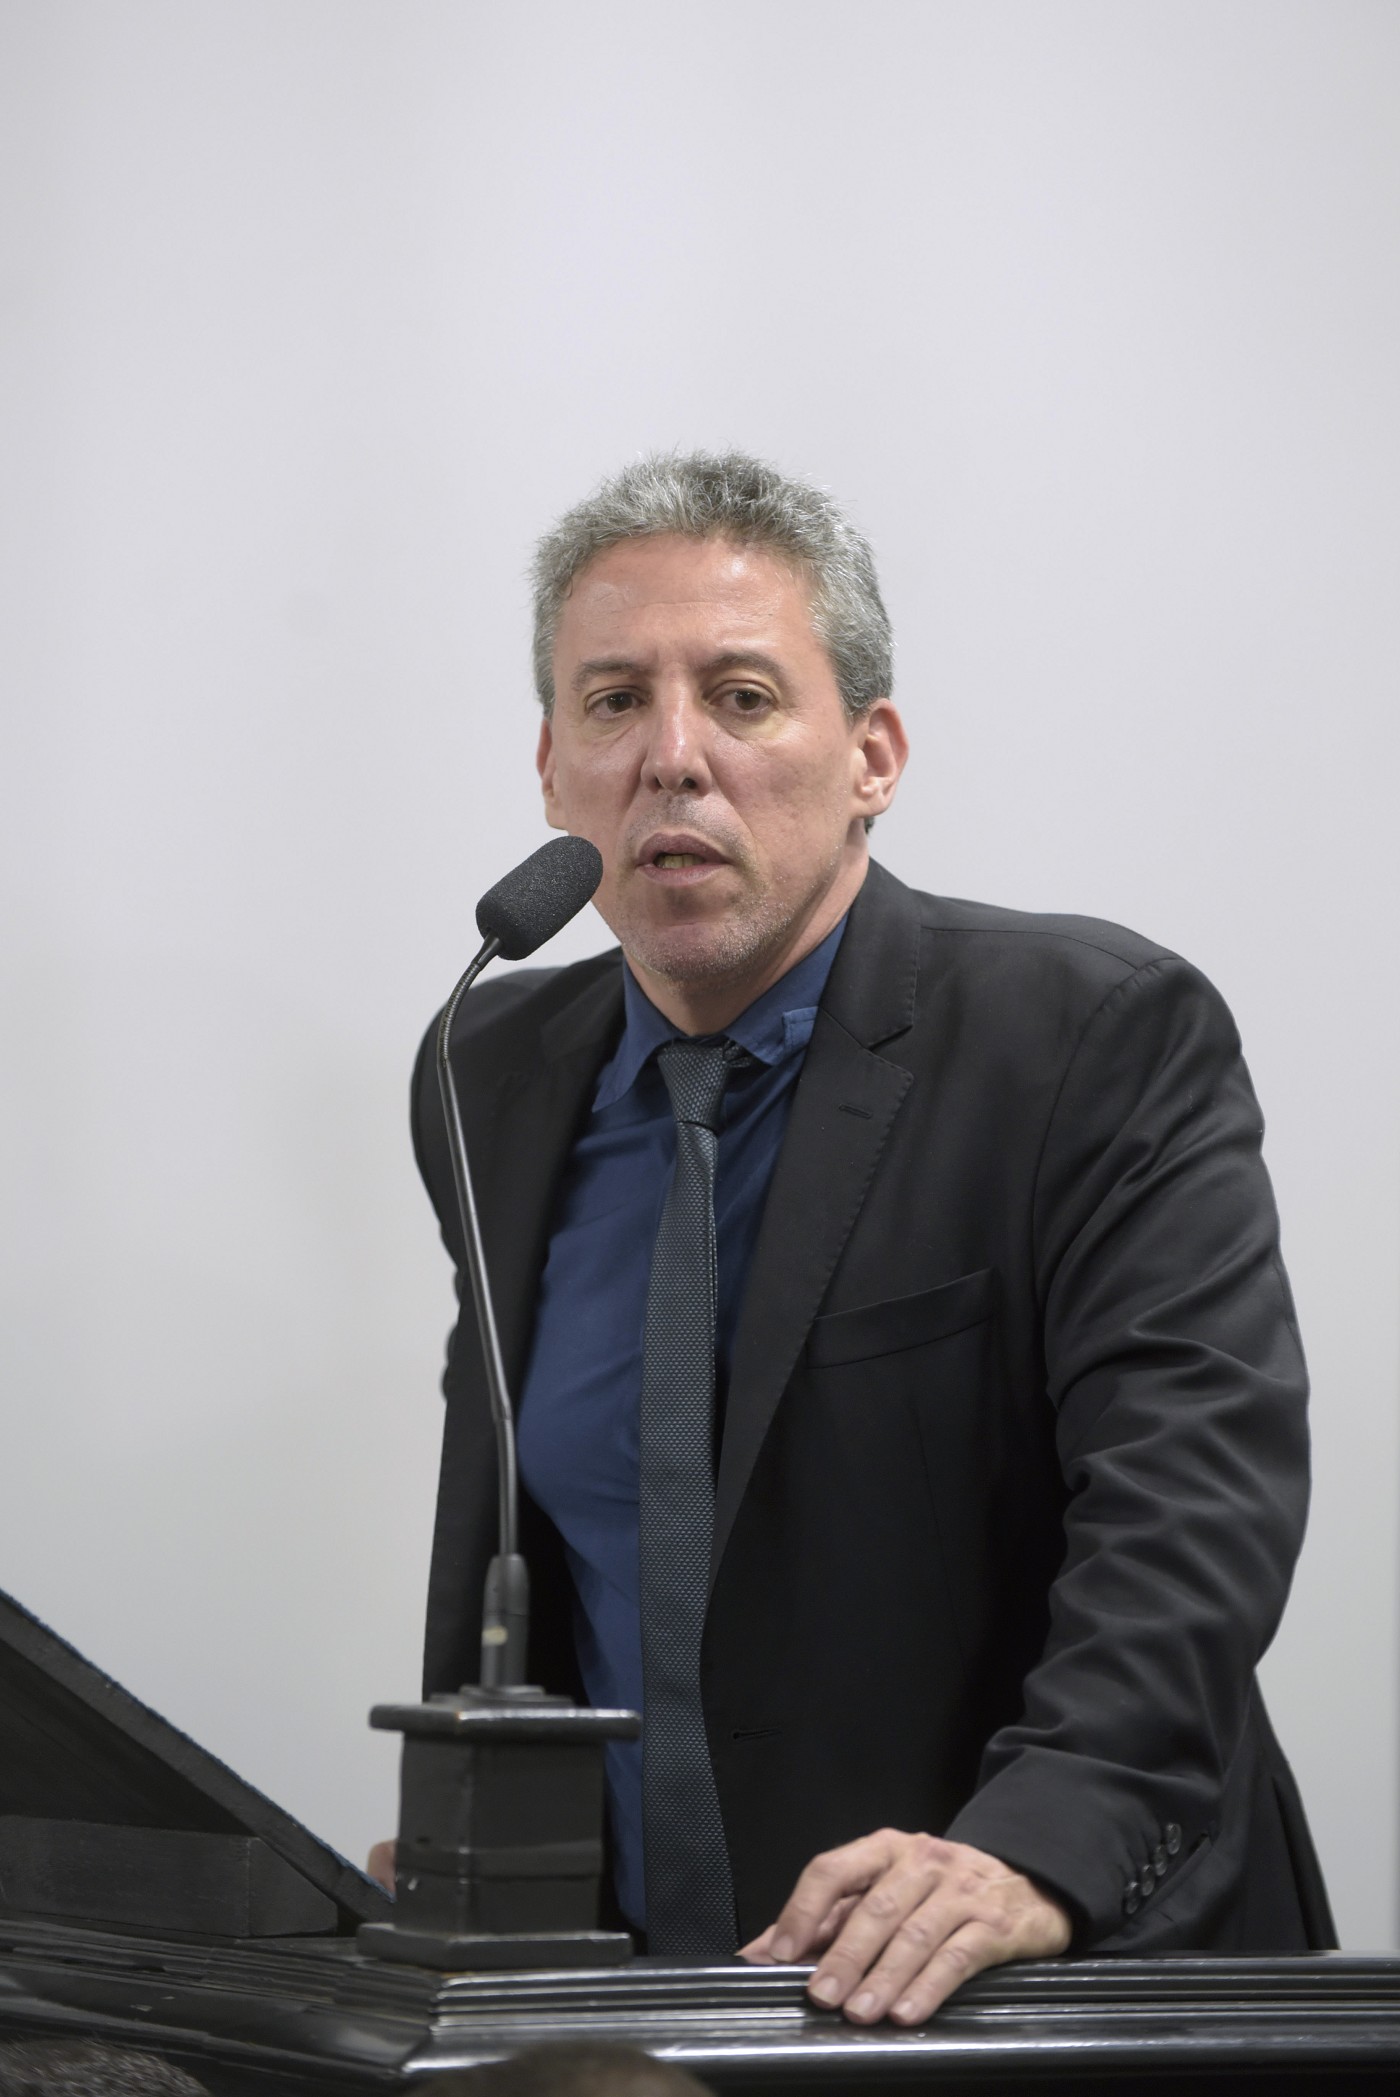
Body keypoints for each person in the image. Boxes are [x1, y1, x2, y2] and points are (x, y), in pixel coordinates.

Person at [405, 451, 1332, 2025]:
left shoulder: (1089, 1038)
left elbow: (1194, 1500)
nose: (673, 758)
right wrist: (476, 1844)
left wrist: (1038, 1847)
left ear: (872, 757)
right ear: (555, 769)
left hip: (1043, 1980)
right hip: (651, 2000)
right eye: (616, 701)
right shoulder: (487, 1071)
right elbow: (537, 1539)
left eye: (743, 696)